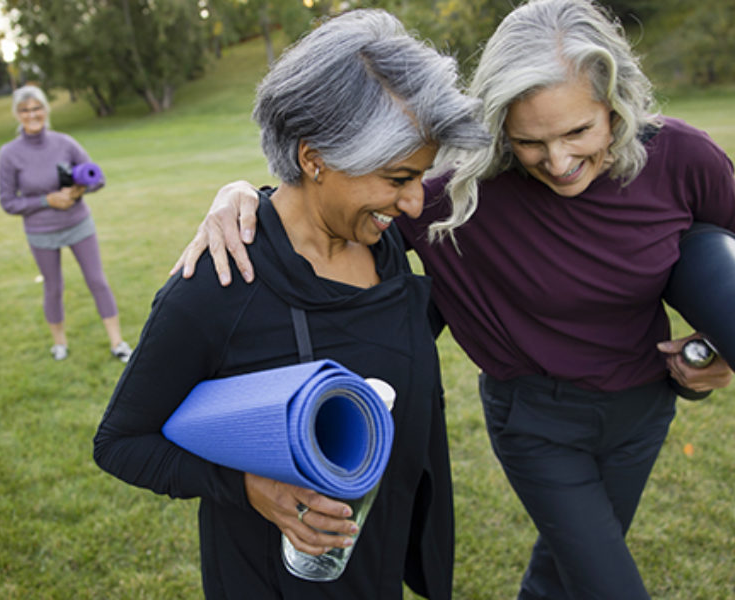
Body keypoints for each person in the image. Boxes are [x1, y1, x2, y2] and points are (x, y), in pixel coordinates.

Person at [172, 1, 735, 598]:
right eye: (530, 141)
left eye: (578, 131)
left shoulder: (684, 159)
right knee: (609, 585)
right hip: (537, 422)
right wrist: (243, 194)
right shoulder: (456, 198)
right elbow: (329, 204)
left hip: (645, 409)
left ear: (616, 105)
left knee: (566, 572)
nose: (558, 163)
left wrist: (725, 342)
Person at [94, 9, 489, 599]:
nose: (414, 203)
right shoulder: (219, 283)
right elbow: (121, 444)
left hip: (375, 566)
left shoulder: (384, 245)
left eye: (421, 176)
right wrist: (244, 484)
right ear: (313, 157)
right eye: (397, 178)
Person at [0, 85, 132, 363]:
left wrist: (80, 190)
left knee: (97, 281)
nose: (32, 114)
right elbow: (8, 202)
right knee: (53, 287)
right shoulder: (9, 154)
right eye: (25, 110)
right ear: (17, 115)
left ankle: (117, 342)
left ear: (46, 110)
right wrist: (47, 200)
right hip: (41, 232)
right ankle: (59, 344)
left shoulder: (64, 143)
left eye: (37, 108)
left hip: (77, 223)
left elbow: (98, 178)